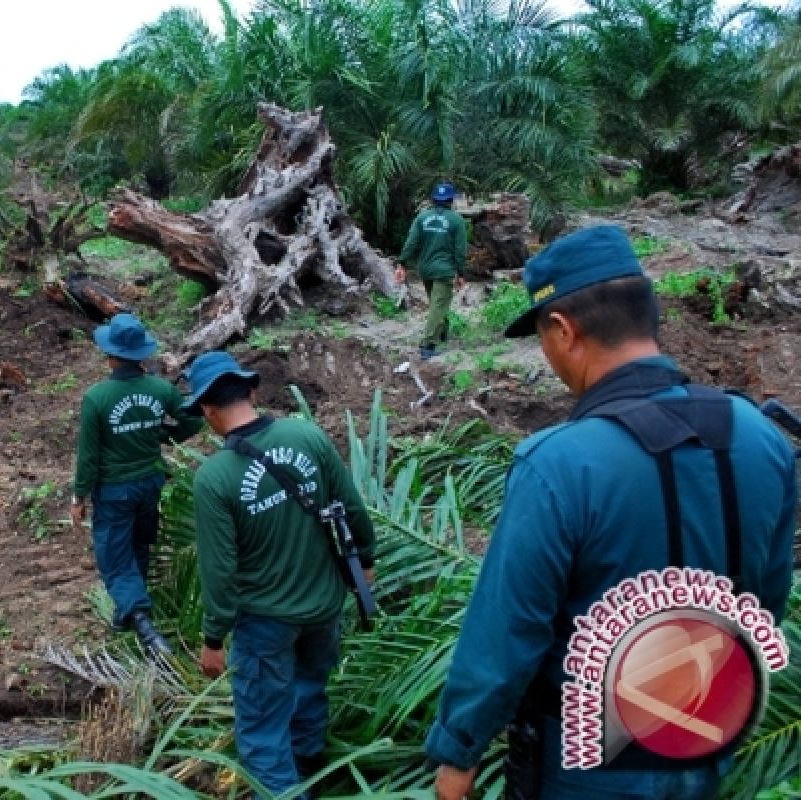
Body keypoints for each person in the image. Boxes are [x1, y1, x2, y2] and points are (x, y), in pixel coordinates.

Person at [424, 225, 796, 800]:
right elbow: (766, 599)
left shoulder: (558, 464)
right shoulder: (760, 439)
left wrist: (457, 752)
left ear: (564, 330)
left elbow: (508, 632)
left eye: (542, 340)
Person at [185, 350, 377, 799]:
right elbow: (351, 507)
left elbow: (220, 571)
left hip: (266, 622)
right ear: (251, 391)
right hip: (324, 607)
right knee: (309, 692)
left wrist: (214, 638)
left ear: (208, 412)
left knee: (261, 732)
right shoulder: (306, 435)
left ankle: (287, 790)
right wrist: (364, 559)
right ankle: (307, 773)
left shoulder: (214, 478)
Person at [71, 313, 204, 655]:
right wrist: (165, 434)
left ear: (111, 355)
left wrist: (79, 495)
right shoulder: (160, 389)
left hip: (114, 489)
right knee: (139, 544)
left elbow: (89, 455)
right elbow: (193, 418)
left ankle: (145, 629)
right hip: (150, 483)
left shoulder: (97, 398)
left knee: (114, 557)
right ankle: (124, 612)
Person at [395, 181, 468, 360]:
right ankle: (428, 345)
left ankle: (442, 331)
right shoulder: (456, 220)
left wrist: (402, 263)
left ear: (433, 200)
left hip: (425, 269)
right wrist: (462, 273)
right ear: (450, 200)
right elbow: (460, 250)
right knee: (438, 306)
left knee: (437, 304)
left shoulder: (422, 218)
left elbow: (411, 243)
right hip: (444, 270)